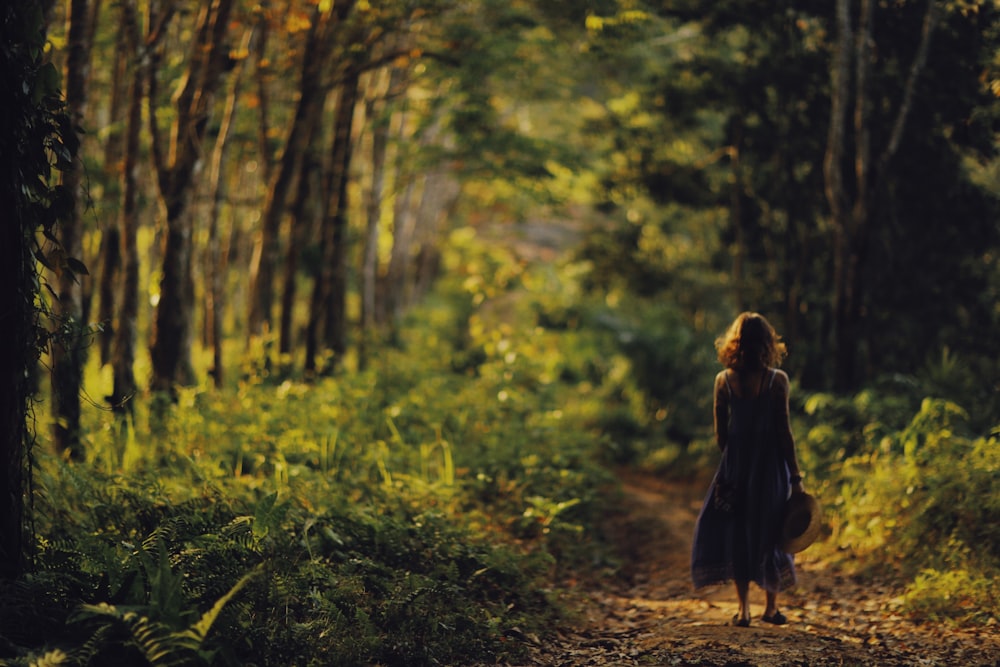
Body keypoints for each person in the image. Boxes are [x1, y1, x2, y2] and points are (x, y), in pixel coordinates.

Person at [690, 312, 806, 627]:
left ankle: (743, 610)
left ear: (734, 343)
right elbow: (785, 433)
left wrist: (734, 459)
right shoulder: (776, 380)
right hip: (771, 469)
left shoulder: (723, 380)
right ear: (767, 343)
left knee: (738, 533)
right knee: (772, 532)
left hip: (735, 468)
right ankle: (770, 608)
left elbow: (720, 434)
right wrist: (795, 478)